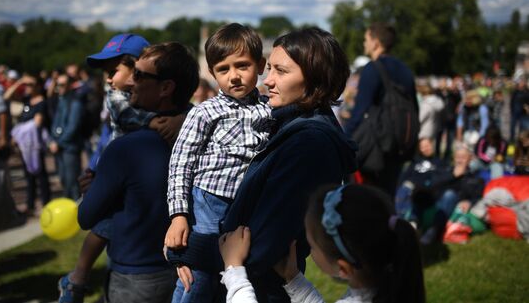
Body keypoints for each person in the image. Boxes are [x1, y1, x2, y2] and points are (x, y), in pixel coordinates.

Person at [166, 27, 357, 303]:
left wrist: (183, 251)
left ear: (314, 76)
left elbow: (263, 245)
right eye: (269, 69)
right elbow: (183, 160)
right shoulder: (286, 122)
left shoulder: (308, 143)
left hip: (262, 288)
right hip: (238, 271)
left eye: (280, 71)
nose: (268, 81)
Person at [78, 42, 199, 303]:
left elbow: (86, 217)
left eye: (140, 75)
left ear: (166, 88)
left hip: (134, 278)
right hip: (188, 272)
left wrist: (96, 189)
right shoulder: (202, 139)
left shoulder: (124, 149)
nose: (130, 82)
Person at [165, 23, 271, 303]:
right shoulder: (206, 112)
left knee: (238, 277)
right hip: (209, 205)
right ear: (211, 73)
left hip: (247, 207)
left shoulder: (271, 110)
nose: (234, 76)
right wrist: (178, 216)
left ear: (260, 65)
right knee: (197, 278)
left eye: (242, 66)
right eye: (223, 69)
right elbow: (180, 164)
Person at [218, 184, 426, 303]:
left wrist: (234, 269)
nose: (309, 249)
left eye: (312, 245)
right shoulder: (387, 289)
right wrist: (293, 279)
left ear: (343, 268)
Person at [344, 23, 417, 197]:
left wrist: (345, 138)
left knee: (368, 197)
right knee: (388, 196)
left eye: (366, 39)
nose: (364, 44)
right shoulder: (405, 70)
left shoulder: (373, 68)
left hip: (378, 145)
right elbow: (414, 107)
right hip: (400, 144)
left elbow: (360, 111)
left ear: (376, 43)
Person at [7, 75, 51, 217]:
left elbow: (37, 123)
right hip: (24, 144)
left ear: (38, 86)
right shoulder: (25, 100)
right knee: (28, 175)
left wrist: (19, 131)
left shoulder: (42, 102)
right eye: (27, 85)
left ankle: (46, 203)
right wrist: (20, 82)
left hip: (35, 143)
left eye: (31, 85)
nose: (28, 88)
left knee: (40, 173)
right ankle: (30, 204)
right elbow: (6, 97)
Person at [49, 73, 84, 200]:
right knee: (64, 180)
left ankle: (77, 214)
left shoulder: (76, 102)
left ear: (70, 85)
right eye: (58, 85)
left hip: (70, 148)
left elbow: (72, 127)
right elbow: (55, 122)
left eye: (62, 85)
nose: (59, 88)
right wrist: (52, 140)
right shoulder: (61, 100)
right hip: (59, 147)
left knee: (73, 182)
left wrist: (58, 142)